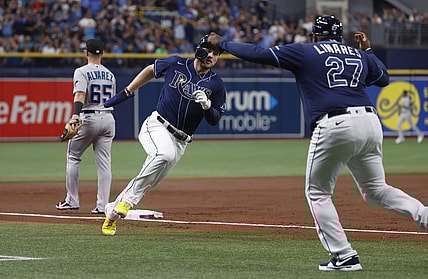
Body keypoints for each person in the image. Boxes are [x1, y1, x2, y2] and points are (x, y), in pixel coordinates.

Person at [208, 16, 428, 271]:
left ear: (314, 36)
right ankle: (424, 214)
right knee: (377, 190)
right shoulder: (357, 54)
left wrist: (223, 43)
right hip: (370, 122)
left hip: (335, 124)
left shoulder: (305, 51)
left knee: (318, 193)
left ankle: (344, 255)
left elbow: (259, 53)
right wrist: (367, 50)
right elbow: (384, 79)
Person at [101, 35, 227, 236]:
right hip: (157, 126)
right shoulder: (176, 63)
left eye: (216, 53)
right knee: (163, 155)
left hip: (182, 141)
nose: (211, 56)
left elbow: (214, 119)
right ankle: (128, 203)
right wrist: (127, 91)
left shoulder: (216, 84)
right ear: (199, 49)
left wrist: (207, 106)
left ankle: (112, 212)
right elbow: (151, 70)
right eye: (209, 50)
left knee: (151, 178)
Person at [56, 39, 116, 214]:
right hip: (108, 118)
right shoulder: (110, 74)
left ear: (86, 53)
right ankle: (102, 205)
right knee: (105, 164)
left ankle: (72, 200)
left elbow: (80, 94)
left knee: (73, 157)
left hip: (88, 117)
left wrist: (75, 114)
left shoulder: (81, 71)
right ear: (102, 54)